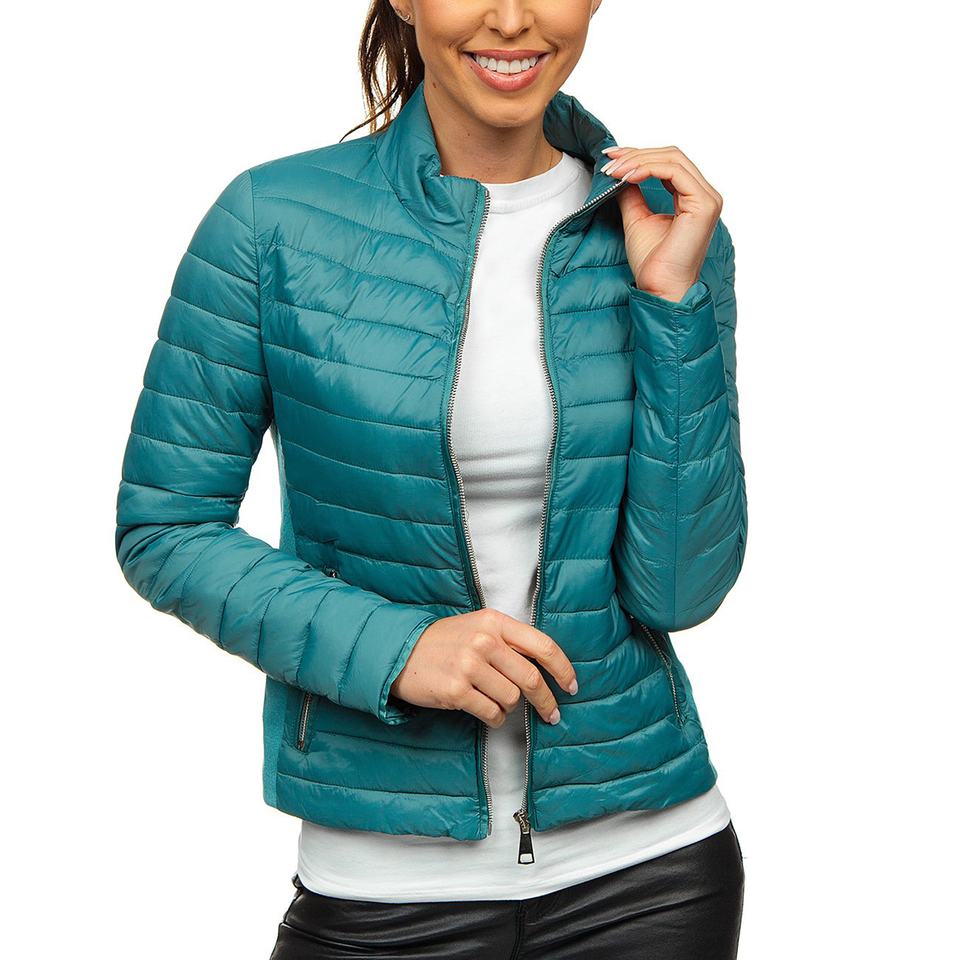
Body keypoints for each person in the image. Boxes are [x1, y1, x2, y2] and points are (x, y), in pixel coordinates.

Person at [114, 1, 748, 956]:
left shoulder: (662, 229)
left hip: (653, 870)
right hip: (386, 888)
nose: (512, 18)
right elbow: (165, 528)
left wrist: (672, 307)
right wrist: (398, 648)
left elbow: (681, 588)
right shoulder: (273, 221)